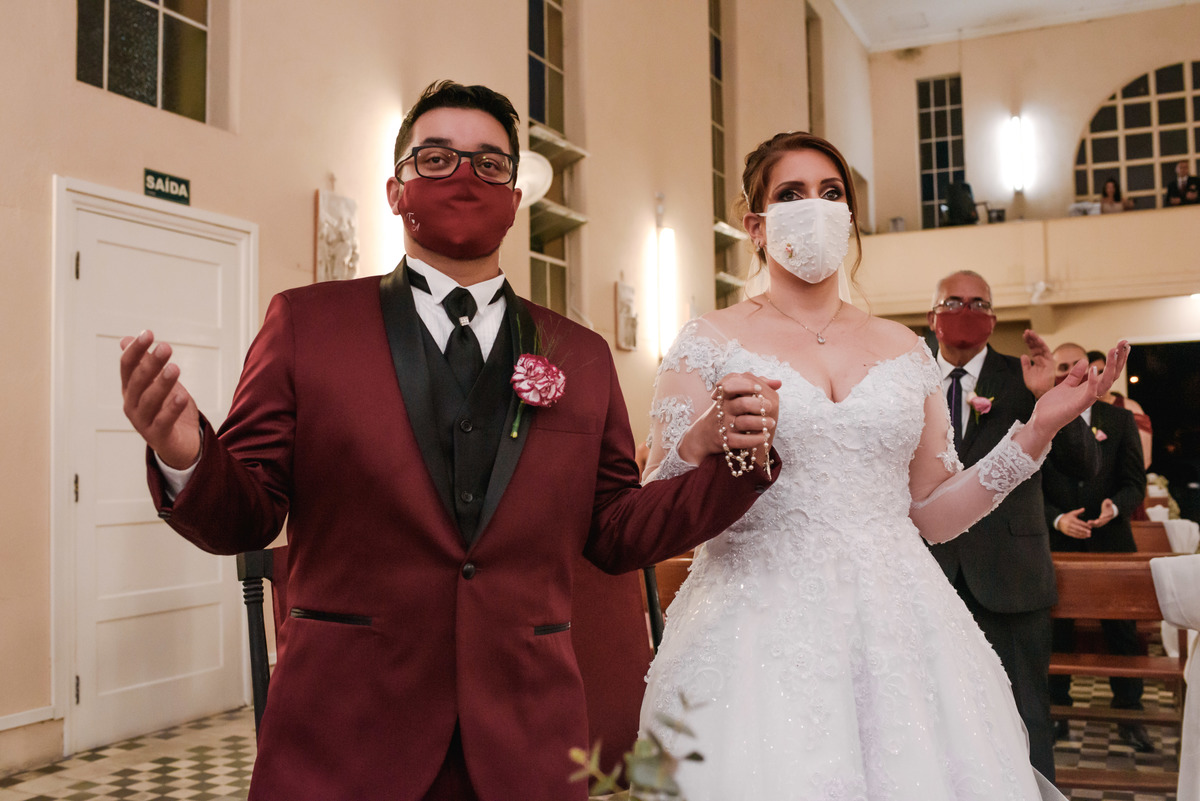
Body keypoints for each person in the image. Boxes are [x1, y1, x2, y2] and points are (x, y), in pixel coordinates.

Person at [118, 80, 783, 801]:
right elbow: (248, 515)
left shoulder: (582, 356)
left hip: (524, 735)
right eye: (436, 159)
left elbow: (617, 531)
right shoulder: (308, 326)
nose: (465, 177)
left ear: (514, 201)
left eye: (489, 164)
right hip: (345, 733)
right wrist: (187, 458)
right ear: (395, 190)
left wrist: (734, 463)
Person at [637, 130, 1127, 800]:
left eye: (831, 193)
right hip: (754, 625)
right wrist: (703, 438)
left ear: (849, 217)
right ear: (756, 225)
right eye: (791, 194)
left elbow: (932, 514)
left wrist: (1038, 429)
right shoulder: (708, 341)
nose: (815, 207)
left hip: (902, 627)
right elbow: (654, 505)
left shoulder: (901, 347)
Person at [927, 270, 1101, 781]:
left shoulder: (1027, 376)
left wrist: (1050, 398)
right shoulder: (905, 380)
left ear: (994, 317)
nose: (966, 310)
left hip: (1012, 576)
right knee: (934, 716)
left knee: (1025, 715)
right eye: (953, 302)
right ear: (932, 316)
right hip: (926, 574)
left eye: (978, 302)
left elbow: (1084, 467)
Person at [1042, 342, 1151, 751]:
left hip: (1111, 541)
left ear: (1089, 368)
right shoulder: (1042, 417)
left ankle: (1130, 713)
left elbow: (1134, 482)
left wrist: (1114, 507)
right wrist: (1057, 518)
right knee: (1057, 632)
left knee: (1122, 631)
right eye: (1061, 366)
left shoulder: (1119, 419)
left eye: (1075, 364)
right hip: (1059, 542)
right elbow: (1028, 484)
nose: (1068, 372)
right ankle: (1058, 711)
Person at [1088, 348, 1152, 470]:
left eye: (1102, 371)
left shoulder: (1130, 407)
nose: (1099, 377)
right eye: (1093, 373)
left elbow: (1144, 458)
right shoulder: (1083, 410)